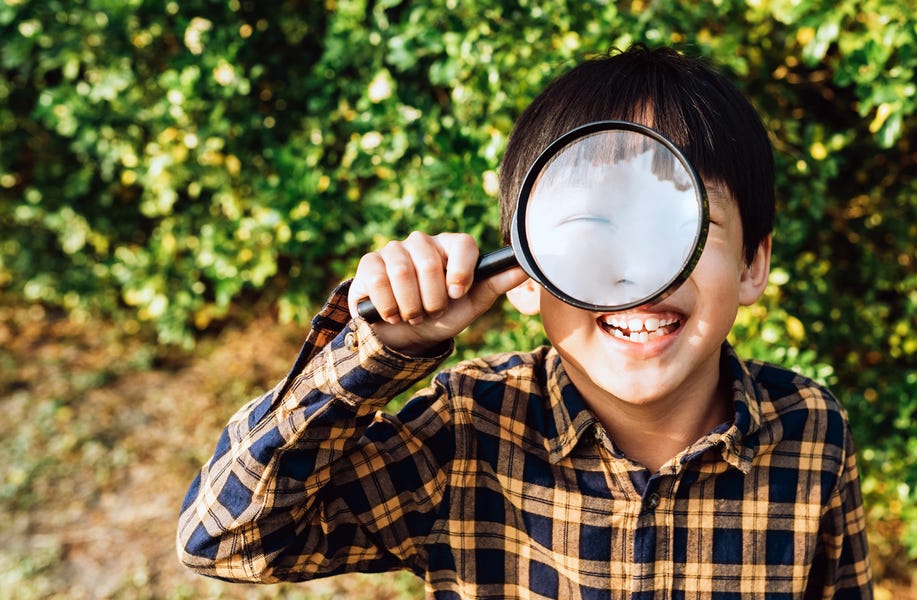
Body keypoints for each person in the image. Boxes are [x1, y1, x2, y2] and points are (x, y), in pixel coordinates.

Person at [176, 45, 873, 598]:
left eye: (677, 225)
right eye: (588, 229)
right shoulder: (467, 430)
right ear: (525, 272)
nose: (632, 272)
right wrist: (383, 353)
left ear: (754, 264)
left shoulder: (810, 430)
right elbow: (225, 538)